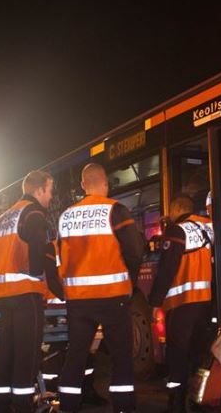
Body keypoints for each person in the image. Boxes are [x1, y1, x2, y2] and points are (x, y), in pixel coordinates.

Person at [56, 163, 144, 413]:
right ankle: (124, 407)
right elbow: (135, 252)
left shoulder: (67, 215)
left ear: (83, 185)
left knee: (76, 356)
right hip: (113, 297)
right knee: (121, 357)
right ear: (105, 183)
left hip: (78, 300)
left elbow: (60, 259)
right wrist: (131, 284)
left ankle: (68, 406)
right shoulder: (115, 210)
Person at [0, 170, 64, 413]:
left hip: (3, 296)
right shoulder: (34, 212)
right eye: (50, 190)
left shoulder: (6, 215)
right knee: (27, 356)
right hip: (27, 293)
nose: (50, 196)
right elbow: (39, 250)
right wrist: (36, 273)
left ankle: (0, 404)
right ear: (39, 190)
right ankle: (23, 406)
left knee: (7, 352)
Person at [149, 196, 214, 412]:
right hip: (204, 302)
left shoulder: (178, 231)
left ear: (177, 208)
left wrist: (155, 301)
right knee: (198, 353)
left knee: (177, 355)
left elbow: (168, 267)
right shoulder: (207, 227)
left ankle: (176, 402)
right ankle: (198, 399)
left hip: (181, 303)